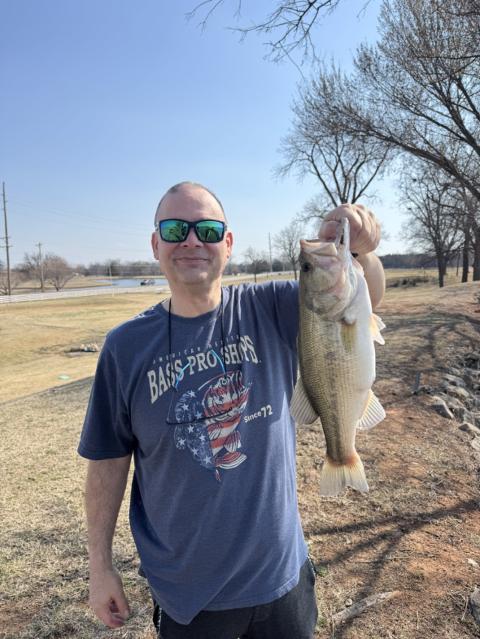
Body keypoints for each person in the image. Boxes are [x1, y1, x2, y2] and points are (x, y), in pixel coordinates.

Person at [78, 182, 385, 639]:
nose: (191, 240)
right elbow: (107, 461)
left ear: (228, 243)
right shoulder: (125, 347)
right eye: (176, 229)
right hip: (189, 596)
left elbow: (363, 298)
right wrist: (100, 566)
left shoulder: (272, 307)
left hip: (282, 577)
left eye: (207, 229)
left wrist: (363, 250)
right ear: (156, 244)